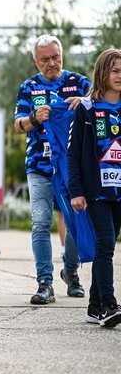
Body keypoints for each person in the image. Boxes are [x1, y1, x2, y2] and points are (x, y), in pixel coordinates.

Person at [14, 34, 90, 304]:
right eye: (45, 59)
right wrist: (35, 118)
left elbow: (101, 107)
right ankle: (44, 282)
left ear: (62, 55)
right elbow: (18, 124)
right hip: (39, 166)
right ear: (36, 61)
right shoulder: (28, 87)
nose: (51, 63)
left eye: (55, 57)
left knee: (75, 224)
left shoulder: (79, 83)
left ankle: (70, 272)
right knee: (40, 222)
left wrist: (84, 103)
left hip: (73, 167)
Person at [67, 48, 121, 327]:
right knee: (104, 244)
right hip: (96, 190)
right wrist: (76, 191)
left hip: (119, 191)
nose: (120, 76)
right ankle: (109, 305)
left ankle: (94, 305)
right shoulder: (87, 109)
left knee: (109, 243)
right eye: (115, 70)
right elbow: (73, 153)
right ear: (103, 73)